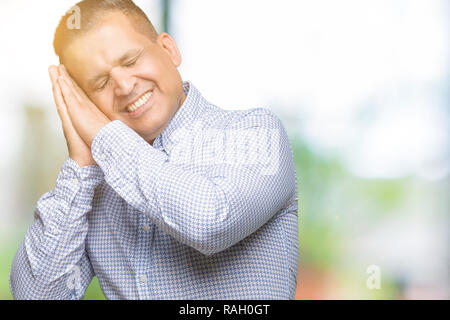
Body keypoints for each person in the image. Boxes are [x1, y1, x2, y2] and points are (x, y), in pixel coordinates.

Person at [9, 0, 298, 299]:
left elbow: (210, 222)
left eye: (131, 61)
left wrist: (102, 136)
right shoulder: (93, 192)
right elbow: (36, 295)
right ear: (84, 104)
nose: (123, 86)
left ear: (169, 49)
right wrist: (81, 166)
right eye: (101, 82)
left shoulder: (257, 133)